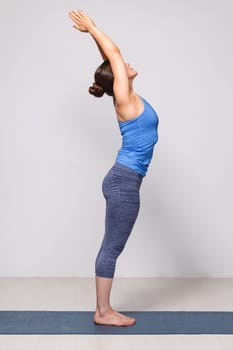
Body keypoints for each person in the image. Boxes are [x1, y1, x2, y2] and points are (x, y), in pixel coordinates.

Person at [68, 9, 159, 326]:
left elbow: (110, 62)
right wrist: (92, 28)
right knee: (112, 248)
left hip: (124, 180)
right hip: (123, 182)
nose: (126, 63)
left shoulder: (127, 95)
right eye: (121, 68)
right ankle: (103, 312)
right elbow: (114, 55)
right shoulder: (123, 98)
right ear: (116, 78)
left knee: (111, 247)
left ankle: (104, 309)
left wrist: (97, 42)